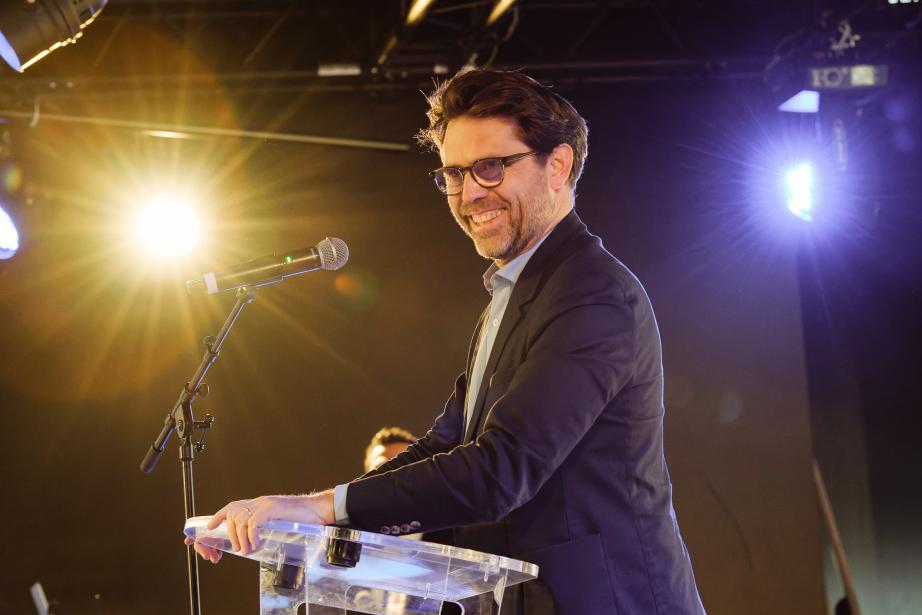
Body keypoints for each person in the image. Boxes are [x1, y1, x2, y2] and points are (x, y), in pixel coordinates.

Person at [189, 69, 705, 615]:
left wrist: (322, 510)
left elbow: (499, 470)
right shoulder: (509, 299)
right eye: (454, 174)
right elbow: (445, 445)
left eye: (490, 167)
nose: (468, 193)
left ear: (558, 166)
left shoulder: (594, 296)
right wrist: (308, 512)